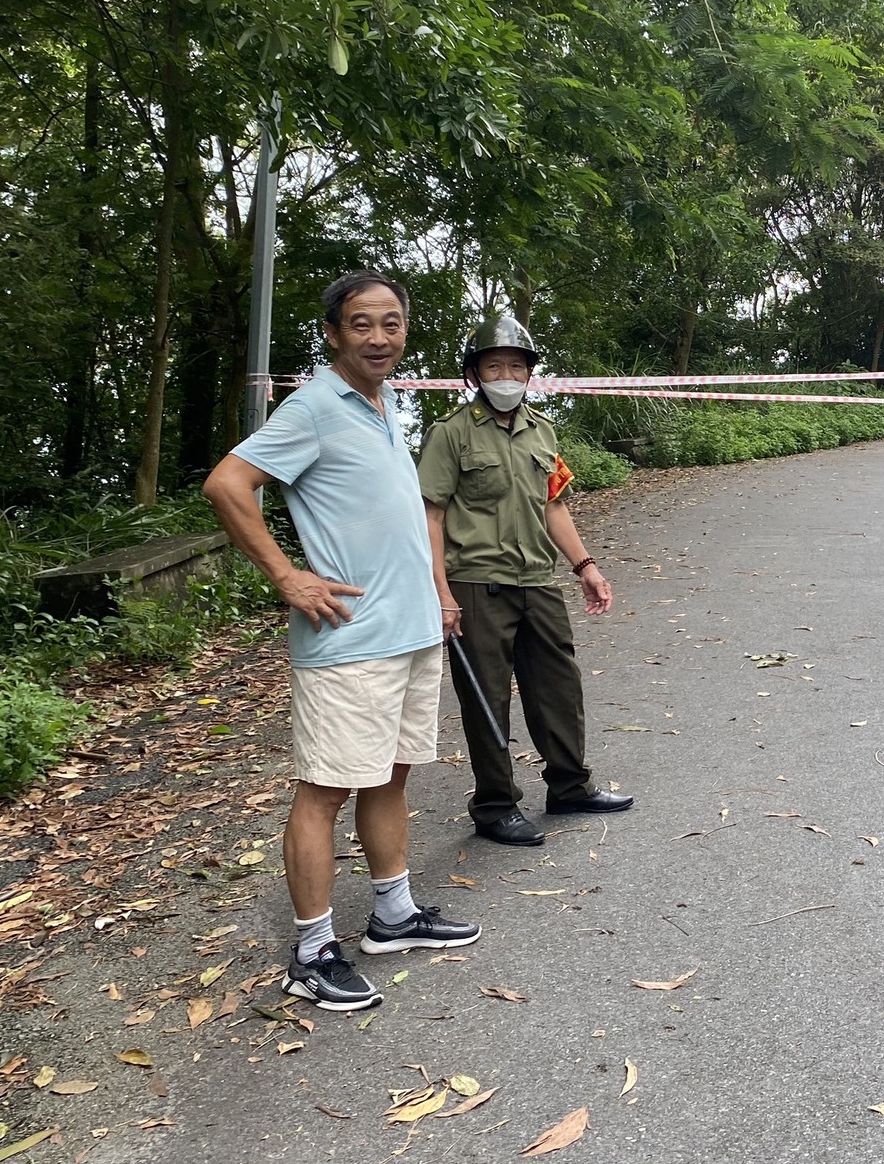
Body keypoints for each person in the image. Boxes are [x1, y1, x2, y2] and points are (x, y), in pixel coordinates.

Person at [204, 270, 479, 1013]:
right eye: (362, 323)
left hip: (410, 630)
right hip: (348, 640)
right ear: (333, 333)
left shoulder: (384, 404)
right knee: (324, 791)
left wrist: (437, 598)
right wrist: (288, 577)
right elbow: (228, 484)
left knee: (390, 775)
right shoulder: (317, 406)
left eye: (391, 323)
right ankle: (312, 949)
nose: (380, 336)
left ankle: (392, 917)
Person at [419, 316, 630, 846]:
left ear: (530, 373)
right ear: (474, 373)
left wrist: (586, 566)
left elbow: (552, 503)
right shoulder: (450, 434)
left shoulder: (542, 431)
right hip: (476, 580)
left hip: (537, 578)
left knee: (558, 685)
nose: (506, 375)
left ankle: (569, 786)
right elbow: (431, 516)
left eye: (517, 365)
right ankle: (494, 806)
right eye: (495, 365)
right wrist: (440, 592)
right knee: (486, 695)